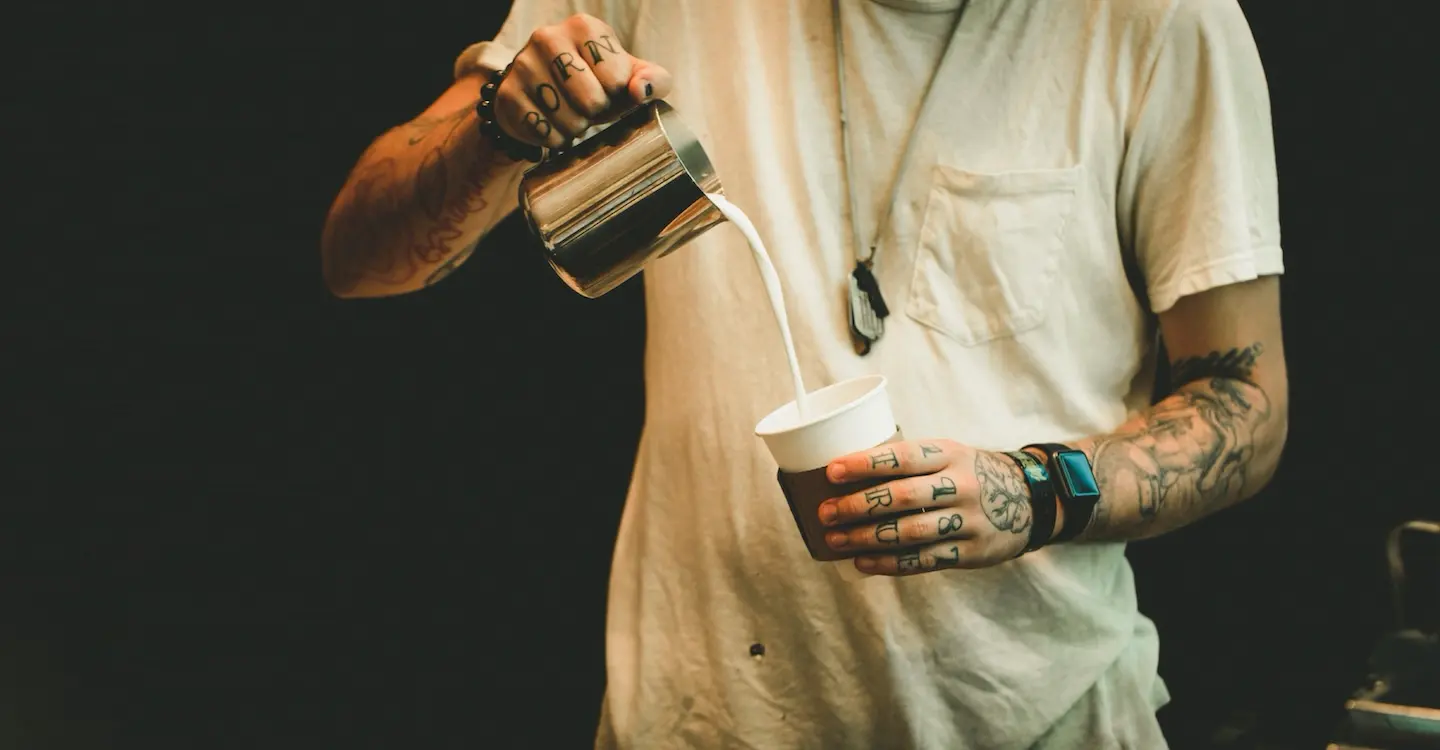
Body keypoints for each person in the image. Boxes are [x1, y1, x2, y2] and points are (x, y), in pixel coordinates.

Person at [319, 0, 1288, 746]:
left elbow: (1246, 404)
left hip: (1034, 720)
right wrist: (501, 127)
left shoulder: (1163, 23)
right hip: (697, 719)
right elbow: (358, 257)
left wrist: (1032, 491)